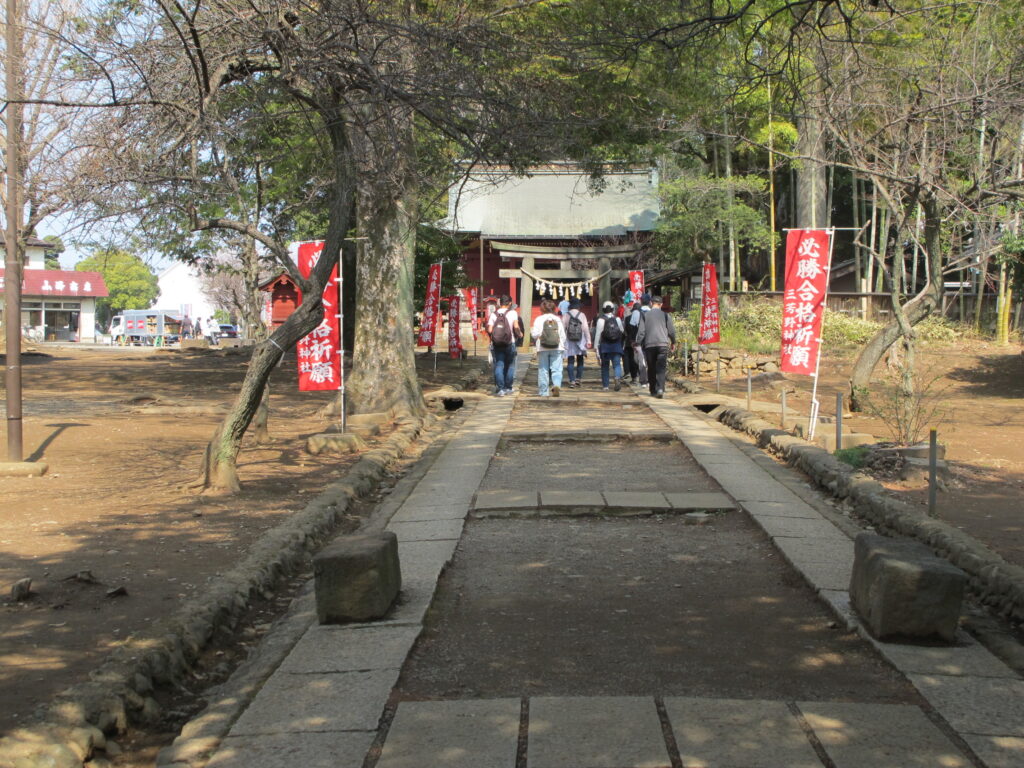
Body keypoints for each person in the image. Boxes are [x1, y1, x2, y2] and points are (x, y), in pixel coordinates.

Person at [636, 295, 676, 399]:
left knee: (651, 367)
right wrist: (673, 342)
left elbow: (641, 332)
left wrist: (638, 343)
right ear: (661, 304)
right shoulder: (666, 316)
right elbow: (671, 331)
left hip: (649, 345)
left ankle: (653, 390)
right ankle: (660, 388)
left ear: (651, 303)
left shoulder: (645, 315)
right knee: (661, 368)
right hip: (663, 344)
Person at [487, 294, 521, 396]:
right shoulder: (513, 313)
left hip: (497, 343)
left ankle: (500, 389)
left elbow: (489, 330)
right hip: (510, 342)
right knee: (510, 365)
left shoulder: (494, 314)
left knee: (499, 364)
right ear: (510, 303)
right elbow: (516, 327)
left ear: (500, 303)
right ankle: (508, 388)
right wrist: (520, 334)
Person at [531, 298, 566, 397]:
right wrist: (561, 344)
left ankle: (543, 392)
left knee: (543, 370)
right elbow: (563, 336)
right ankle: (556, 385)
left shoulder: (539, 319)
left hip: (542, 348)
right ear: (554, 308)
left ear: (542, 308)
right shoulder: (558, 319)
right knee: (557, 369)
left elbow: (534, 334)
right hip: (557, 347)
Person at [593, 301, 625, 391]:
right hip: (616, 345)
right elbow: (622, 331)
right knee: (617, 364)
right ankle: (617, 377)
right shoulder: (617, 319)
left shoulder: (601, 320)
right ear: (612, 309)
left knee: (605, 366)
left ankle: (606, 386)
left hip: (605, 346)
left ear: (603, 310)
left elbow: (598, 334)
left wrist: (595, 346)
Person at [561, 298, 591, 388]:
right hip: (580, 340)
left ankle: (572, 380)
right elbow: (585, 329)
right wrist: (588, 340)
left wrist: (562, 341)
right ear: (578, 306)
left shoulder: (566, 315)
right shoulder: (582, 315)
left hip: (569, 340)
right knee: (580, 359)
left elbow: (562, 329)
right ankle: (578, 378)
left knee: (570, 360)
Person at [626, 295, 652, 385]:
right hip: (651, 339)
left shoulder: (636, 313)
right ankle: (650, 379)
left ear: (641, 301)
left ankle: (644, 379)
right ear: (650, 302)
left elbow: (632, 328)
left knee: (640, 360)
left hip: (639, 340)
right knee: (650, 359)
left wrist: (633, 341)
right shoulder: (652, 312)